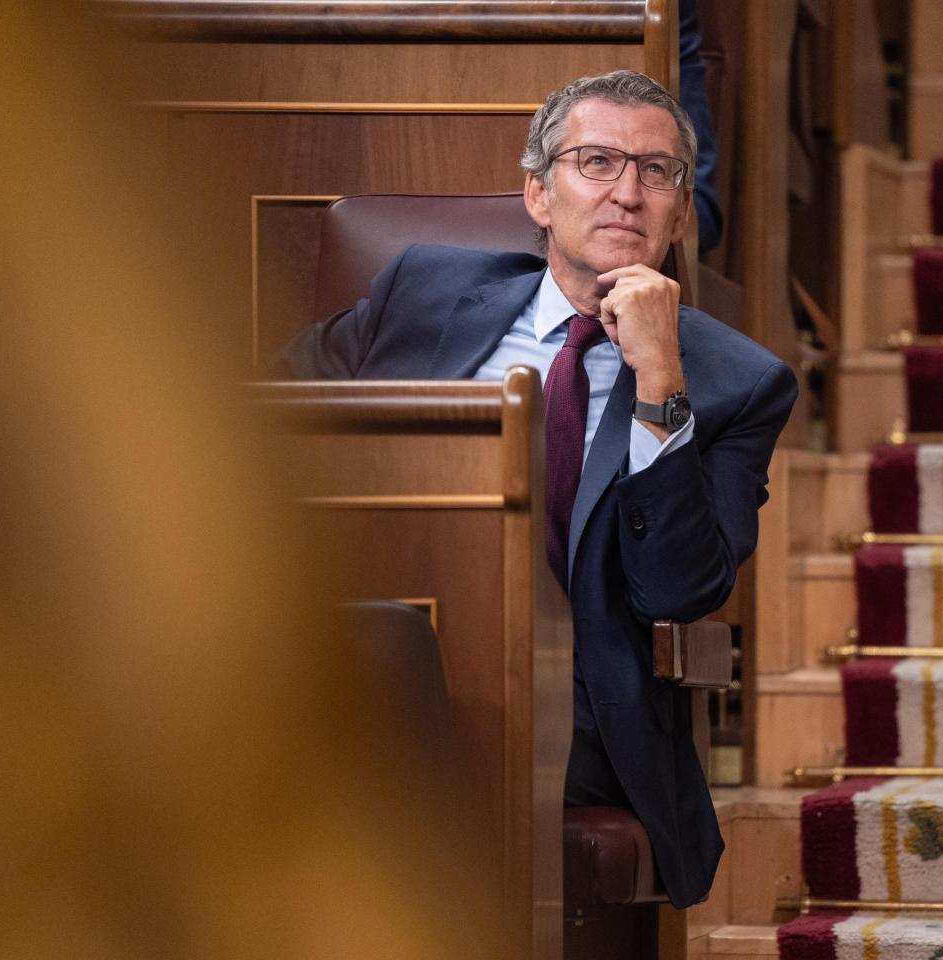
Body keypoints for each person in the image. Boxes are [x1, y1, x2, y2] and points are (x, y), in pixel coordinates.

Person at [276, 69, 798, 907]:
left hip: (579, 705)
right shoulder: (424, 289)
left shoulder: (740, 382)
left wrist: (661, 378)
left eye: (657, 172)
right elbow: (265, 422)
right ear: (538, 194)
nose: (627, 192)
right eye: (597, 162)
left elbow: (678, 587)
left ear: (681, 212)